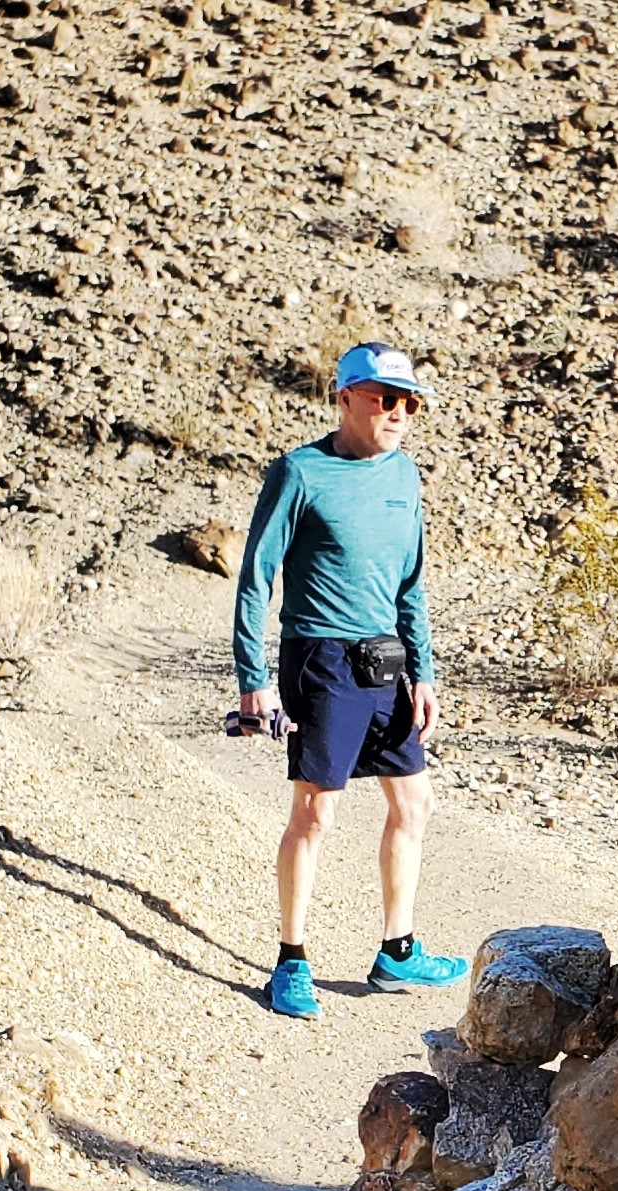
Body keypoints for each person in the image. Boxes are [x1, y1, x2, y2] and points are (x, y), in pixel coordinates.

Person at [231, 340, 467, 1018]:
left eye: (409, 403)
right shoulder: (299, 473)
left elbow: (411, 584)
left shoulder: (404, 477)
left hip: (384, 662)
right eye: (384, 398)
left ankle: (397, 952)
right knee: (314, 813)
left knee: (414, 803)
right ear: (344, 397)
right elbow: (255, 578)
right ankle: (291, 961)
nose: (398, 412)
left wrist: (422, 672)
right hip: (322, 658)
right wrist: (254, 679)